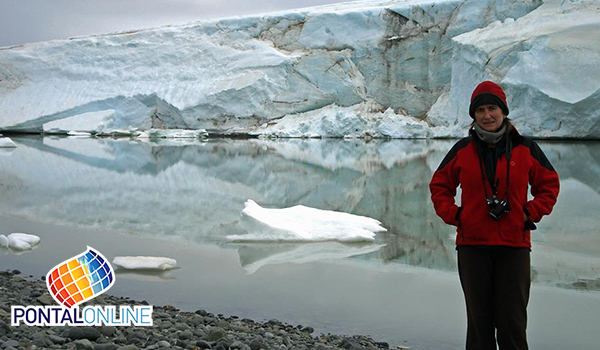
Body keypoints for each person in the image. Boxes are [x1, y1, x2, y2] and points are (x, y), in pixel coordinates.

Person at [429, 81, 560, 350]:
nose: (487, 115)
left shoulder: (525, 148)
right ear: (473, 115)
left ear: (503, 111)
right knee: (479, 323)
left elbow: (549, 185)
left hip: (514, 245)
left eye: (492, 108)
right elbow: (440, 185)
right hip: (473, 245)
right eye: (480, 110)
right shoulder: (463, 150)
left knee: (512, 321)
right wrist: (456, 215)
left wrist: (529, 213)